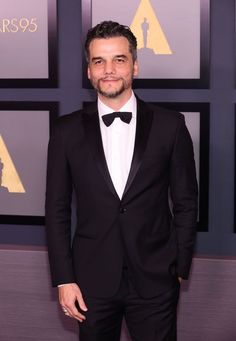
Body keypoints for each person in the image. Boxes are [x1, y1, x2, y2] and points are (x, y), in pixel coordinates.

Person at [45, 20, 198, 341]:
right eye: (99, 61)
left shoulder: (170, 126)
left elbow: (186, 202)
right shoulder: (65, 131)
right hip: (90, 281)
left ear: (135, 66)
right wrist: (64, 279)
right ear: (89, 71)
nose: (109, 70)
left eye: (119, 59)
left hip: (156, 279)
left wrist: (179, 267)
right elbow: (56, 210)